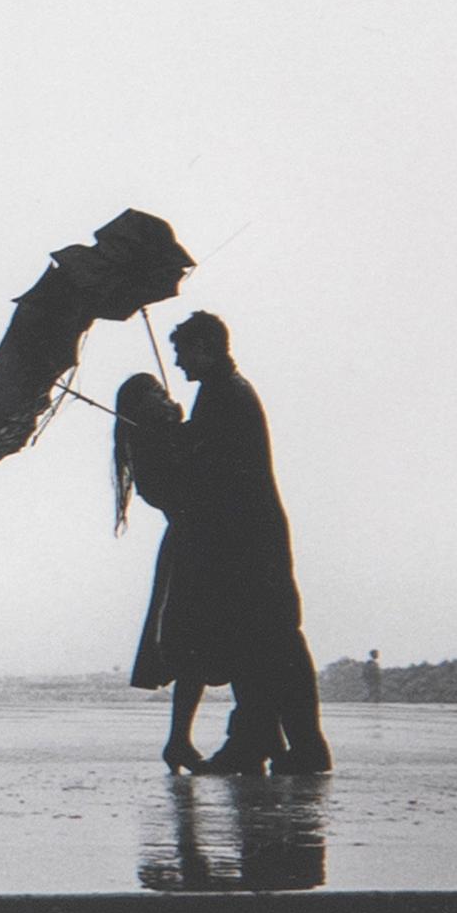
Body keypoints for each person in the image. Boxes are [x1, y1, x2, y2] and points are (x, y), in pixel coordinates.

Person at [163, 311, 332, 775]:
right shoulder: (225, 391)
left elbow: (213, 470)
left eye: (182, 352)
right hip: (255, 537)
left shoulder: (223, 395)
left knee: (260, 644)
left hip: (246, 542)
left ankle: (262, 743)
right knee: (271, 643)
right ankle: (285, 743)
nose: (178, 363)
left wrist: (177, 438)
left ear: (205, 348)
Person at [114, 372, 218, 773]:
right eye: (156, 393)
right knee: (190, 647)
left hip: (189, 546)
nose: (165, 397)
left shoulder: (152, 441)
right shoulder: (149, 445)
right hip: (191, 550)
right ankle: (178, 740)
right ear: (141, 405)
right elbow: (186, 486)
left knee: (192, 647)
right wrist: (183, 433)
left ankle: (179, 740)